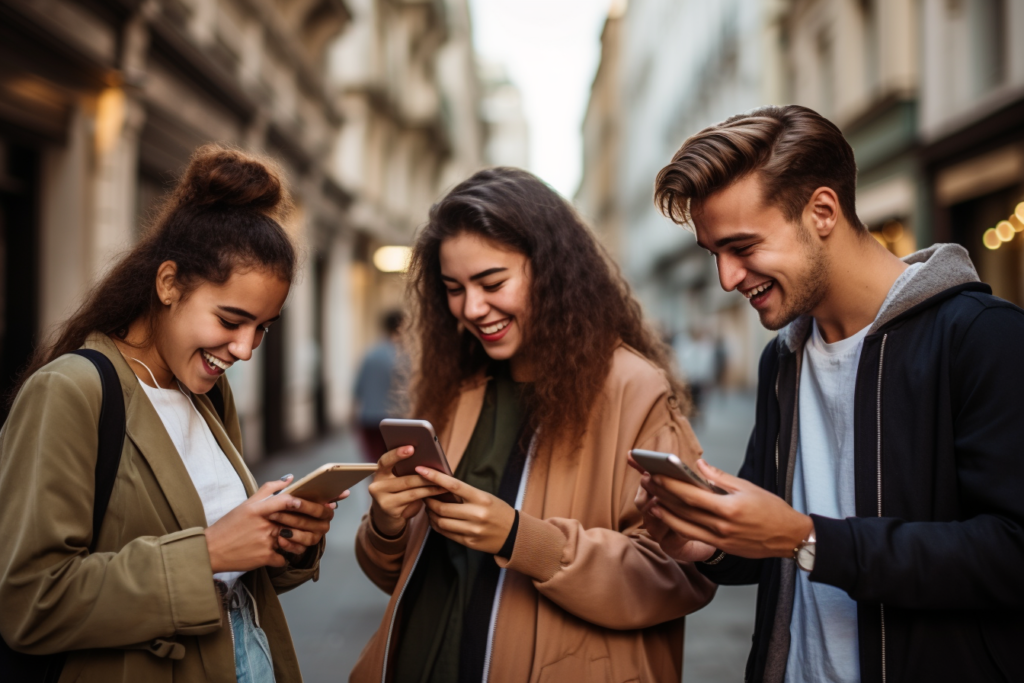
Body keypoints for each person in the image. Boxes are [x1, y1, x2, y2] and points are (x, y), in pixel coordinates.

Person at [637, 104, 1024, 683]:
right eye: (714, 253)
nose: (727, 278)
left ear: (822, 211)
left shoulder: (983, 336)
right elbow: (772, 545)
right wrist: (707, 544)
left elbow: (1011, 553)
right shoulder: (783, 360)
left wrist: (809, 537)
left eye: (742, 247)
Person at [351, 168, 715, 683]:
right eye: (454, 288)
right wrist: (387, 526)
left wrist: (522, 539)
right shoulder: (458, 387)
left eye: (492, 282)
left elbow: (680, 573)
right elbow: (403, 577)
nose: (472, 309)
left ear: (552, 270)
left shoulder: (633, 387)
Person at [0, 145, 341, 682]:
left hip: (249, 656)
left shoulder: (207, 392)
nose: (245, 349)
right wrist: (208, 551)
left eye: (263, 328)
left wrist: (285, 539)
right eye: (231, 320)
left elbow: (235, 576)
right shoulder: (71, 390)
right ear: (168, 284)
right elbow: (31, 603)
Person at [353, 310, 405, 461]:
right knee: (395, 464)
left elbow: (358, 389)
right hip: (397, 420)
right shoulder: (406, 356)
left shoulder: (370, 354)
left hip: (369, 419)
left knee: (375, 463)